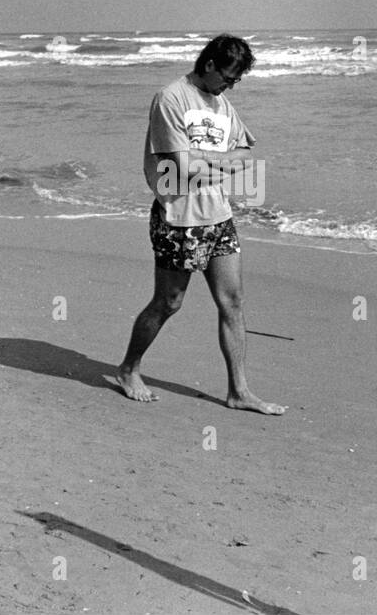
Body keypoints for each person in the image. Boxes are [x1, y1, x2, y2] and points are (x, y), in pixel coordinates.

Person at [116, 35, 286, 415]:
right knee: (169, 303)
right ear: (209, 64)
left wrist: (207, 159)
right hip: (179, 217)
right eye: (229, 76)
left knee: (233, 302)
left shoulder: (223, 104)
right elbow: (178, 167)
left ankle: (238, 391)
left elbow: (246, 155)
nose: (232, 85)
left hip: (220, 216)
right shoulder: (171, 98)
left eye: (237, 80)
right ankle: (129, 369)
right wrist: (219, 163)